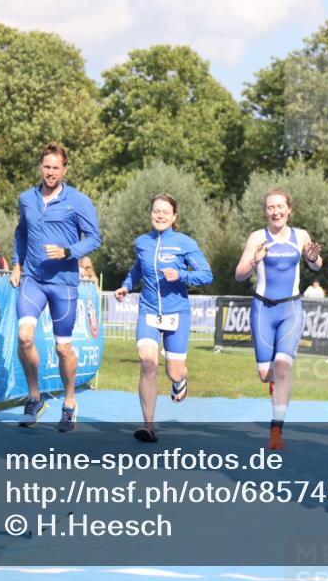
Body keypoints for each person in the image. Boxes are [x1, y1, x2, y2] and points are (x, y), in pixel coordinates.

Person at [11, 142, 102, 433]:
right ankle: (34, 396)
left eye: (55, 167)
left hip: (63, 283)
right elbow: (21, 232)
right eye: (46, 166)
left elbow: (94, 238)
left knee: (64, 349)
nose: (50, 172)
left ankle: (69, 402)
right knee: (25, 337)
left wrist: (67, 252)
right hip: (33, 279)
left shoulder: (78, 201)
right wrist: (16, 263)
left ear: (64, 169)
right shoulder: (27, 198)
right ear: (41, 167)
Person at [115, 193, 212, 443]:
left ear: (174, 217)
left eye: (165, 212)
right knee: (148, 362)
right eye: (156, 211)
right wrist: (126, 285)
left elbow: (206, 275)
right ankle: (148, 426)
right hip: (148, 310)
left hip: (176, 313)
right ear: (150, 213)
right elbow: (138, 268)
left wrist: (181, 275)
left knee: (174, 371)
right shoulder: (142, 242)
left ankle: (181, 380)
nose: (160, 215)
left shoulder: (185, 243)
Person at [235, 189, 322, 450]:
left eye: (280, 206)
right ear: (265, 211)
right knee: (265, 374)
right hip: (262, 309)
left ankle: (276, 430)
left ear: (289, 209)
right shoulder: (257, 237)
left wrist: (313, 257)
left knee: (283, 367)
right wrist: (254, 260)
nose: (276, 211)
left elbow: (317, 265)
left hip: (290, 309)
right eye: (270, 207)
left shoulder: (301, 235)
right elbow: (239, 275)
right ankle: (274, 383)